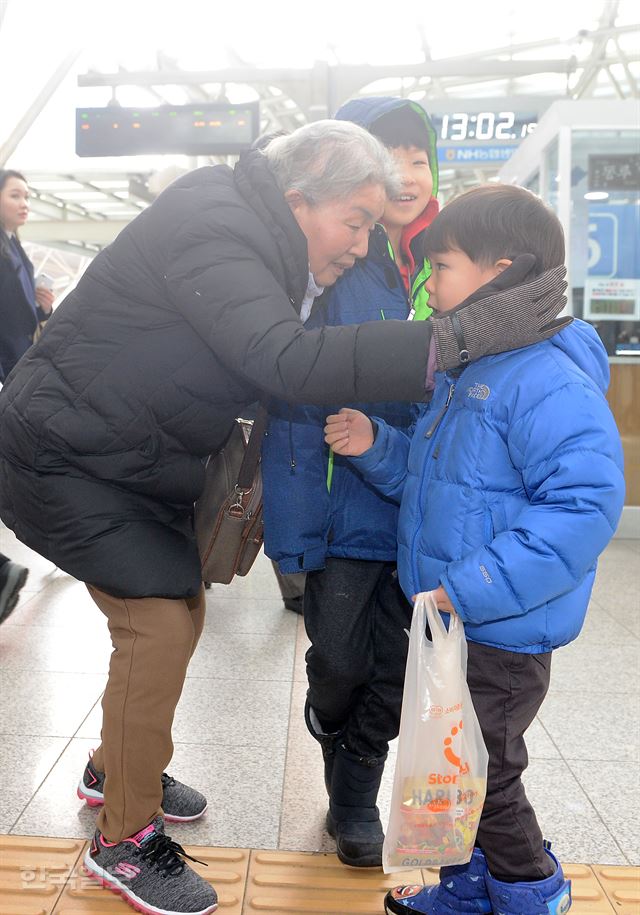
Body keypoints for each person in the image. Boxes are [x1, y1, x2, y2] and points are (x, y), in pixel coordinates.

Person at [0, 123, 568, 915]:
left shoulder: (253, 227)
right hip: (67, 453)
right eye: (358, 220)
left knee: (179, 612)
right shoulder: (219, 226)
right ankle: (123, 839)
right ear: (302, 198)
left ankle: (114, 767)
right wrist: (451, 341)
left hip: (122, 455)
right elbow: (286, 361)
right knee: (158, 623)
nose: (365, 241)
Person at [324, 184, 625, 915]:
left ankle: (530, 889)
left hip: (500, 625)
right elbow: (444, 488)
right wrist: (377, 448)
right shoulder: (468, 370)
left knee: (484, 774)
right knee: (451, 770)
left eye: (446, 265)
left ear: (501, 270)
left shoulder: (546, 374)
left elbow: (585, 504)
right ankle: (466, 886)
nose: (432, 283)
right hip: (452, 621)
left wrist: (478, 582)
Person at [262, 97, 440, 868]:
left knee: (397, 672)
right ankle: (330, 722)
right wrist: (292, 531)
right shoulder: (332, 258)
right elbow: (291, 391)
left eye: (418, 157)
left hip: (422, 508)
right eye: (387, 154)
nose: (405, 172)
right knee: (338, 663)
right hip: (344, 508)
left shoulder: (448, 260)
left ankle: (353, 797)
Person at [0, 169, 54, 622]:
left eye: (28, 196)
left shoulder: (14, 248)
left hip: (15, 373)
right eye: (16, 194)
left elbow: (15, 318)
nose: (25, 203)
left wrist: (40, 309)